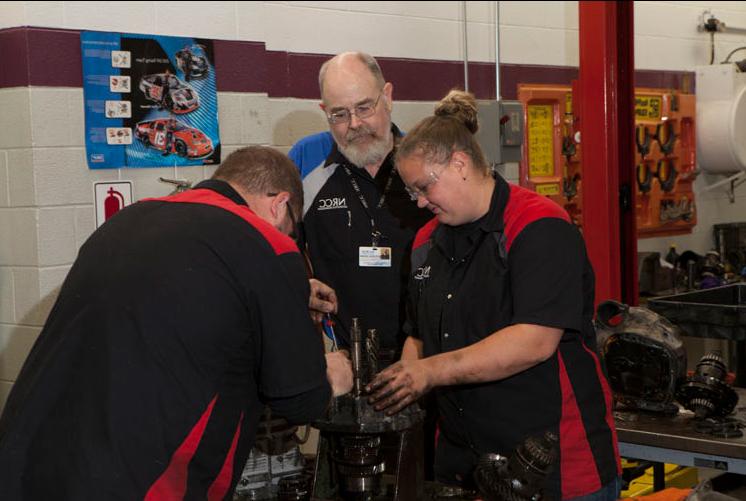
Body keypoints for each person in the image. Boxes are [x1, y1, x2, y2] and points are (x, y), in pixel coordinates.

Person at [0, 146, 353, 500]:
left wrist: (285, 294)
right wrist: (331, 377)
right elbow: (299, 403)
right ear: (280, 205)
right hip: (137, 479)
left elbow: (177, 296)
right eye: (291, 230)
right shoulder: (269, 245)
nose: (288, 240)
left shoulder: (129, 220)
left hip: (27, 457)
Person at [367, 90, 621, 500]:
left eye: (423, 187)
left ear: (460, 163)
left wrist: (429, 372)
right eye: (413, 191)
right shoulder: (424, 243)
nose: (418, 201)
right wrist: (405, 379)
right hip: (463, 466)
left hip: (554, 469)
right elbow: (417, 333)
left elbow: (534, 341)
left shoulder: (538, 226)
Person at [289, 51, 431, 360]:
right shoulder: (305, 159)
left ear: (388, 97)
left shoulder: (425, 161)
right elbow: (279, 245)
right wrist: (300, 284)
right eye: (339, 114)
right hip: (342, 353)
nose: (355, 124)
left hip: (423, 352)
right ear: (324, 111)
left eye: (364, 107)